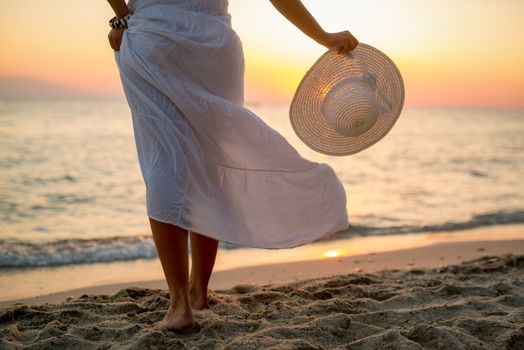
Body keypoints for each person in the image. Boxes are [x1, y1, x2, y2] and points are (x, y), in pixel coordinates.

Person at [106, 0, 358, 330]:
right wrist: (323, 37)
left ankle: (180, 304)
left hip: (154, 35)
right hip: (213, 42)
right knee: (214, 160)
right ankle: (198, 292)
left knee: (164, 160)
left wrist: (123, 19)